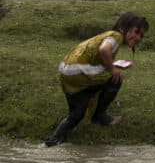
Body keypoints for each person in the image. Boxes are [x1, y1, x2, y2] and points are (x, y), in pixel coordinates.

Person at [44, 12, 148, 146]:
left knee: (76, 115)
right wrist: (112, 70)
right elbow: (104, 50)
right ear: (123, 27)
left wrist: (110, 66)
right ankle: (99, 115)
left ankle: (54, 141)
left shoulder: (106, 35)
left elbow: (99, 55)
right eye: (136, 32)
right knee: (115, 78)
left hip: (66, 70)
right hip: (78, 71)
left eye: (141, 35)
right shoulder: (115, 36)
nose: (138, 37)